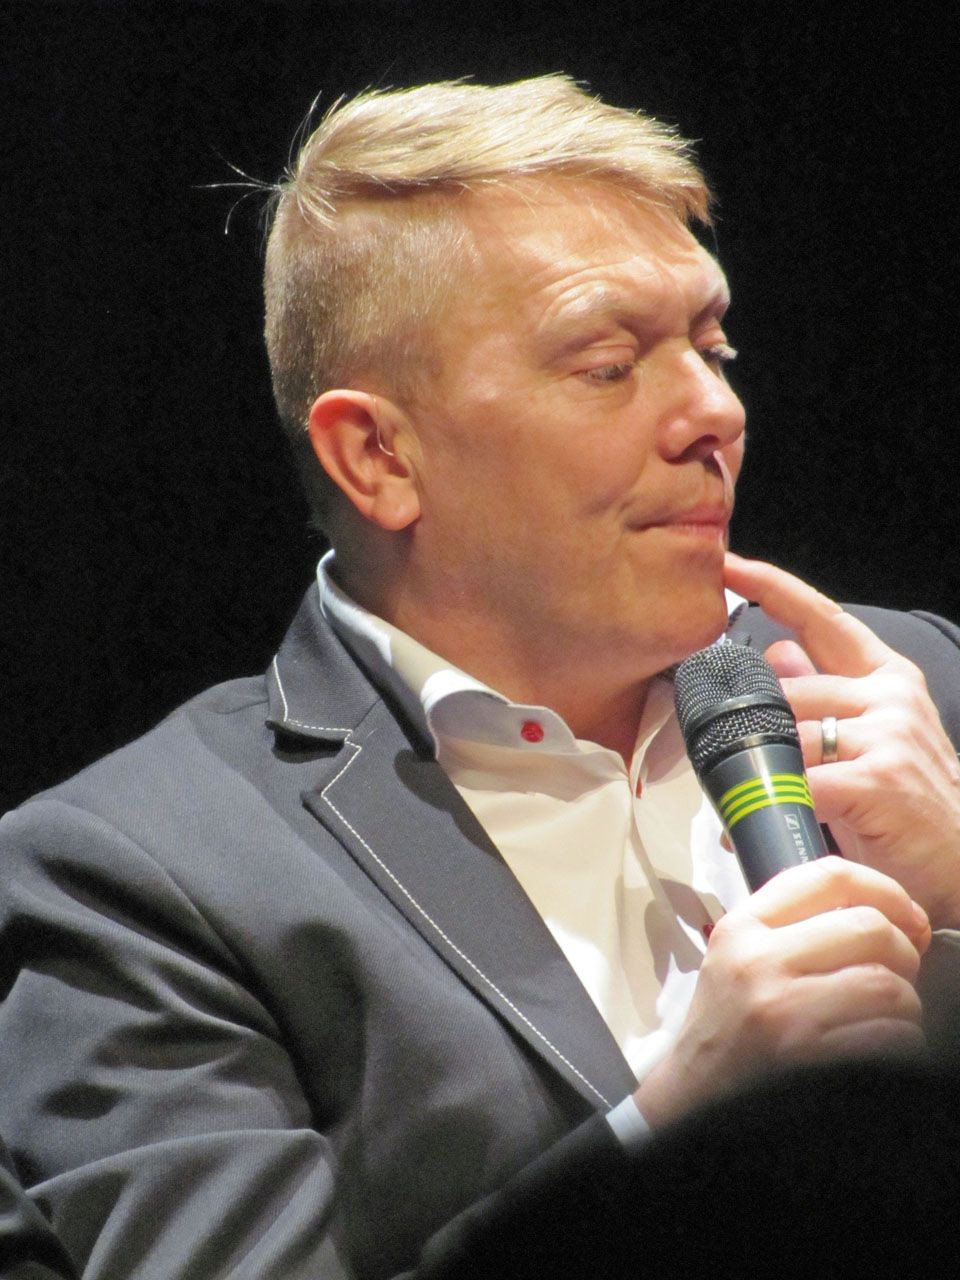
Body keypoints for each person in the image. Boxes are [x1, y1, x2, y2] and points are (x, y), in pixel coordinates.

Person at [2, 74, 960, 1278]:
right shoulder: (139, 875)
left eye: (714, 346)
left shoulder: (921, 693)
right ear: (378, 455)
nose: (714, 411)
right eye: (609, 364)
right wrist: (677, 1120)